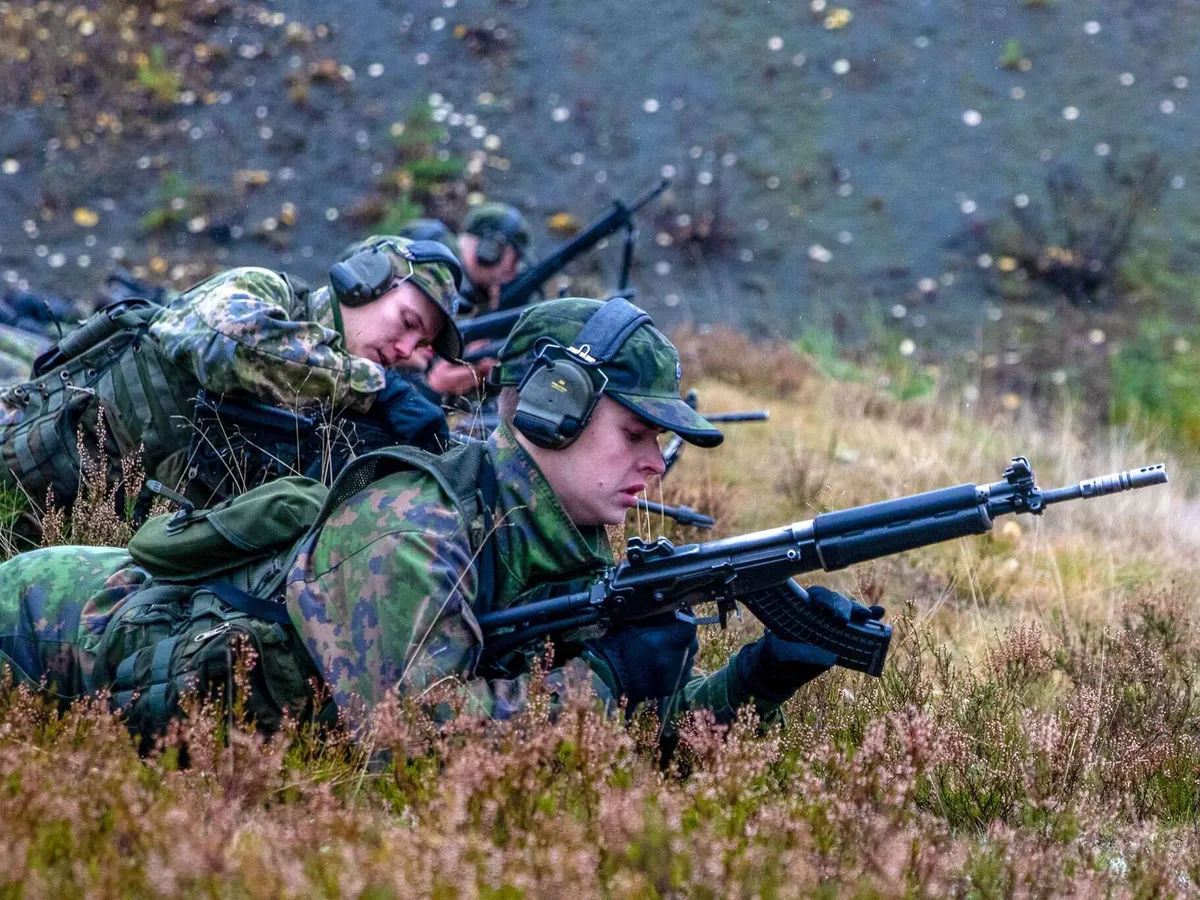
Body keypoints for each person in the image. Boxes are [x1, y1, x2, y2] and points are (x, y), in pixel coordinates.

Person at [0, 297, 868, 743]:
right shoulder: (415, 526)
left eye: (661, 444)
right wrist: (600, 684)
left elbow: (609, 753)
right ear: (550, 413)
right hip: (39, 625)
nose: (654, 460)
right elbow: (401, 744)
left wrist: (759, 677)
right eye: (636, 432)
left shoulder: (554, 541)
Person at [0, 236, 465, 523]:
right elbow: (233, 346)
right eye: (406, 321)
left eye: (419, 344)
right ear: (365, 279)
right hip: (20, 484)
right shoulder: (264, 291)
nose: (405, 350)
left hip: (96, 546)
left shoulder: (346, 408)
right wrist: (375, 386)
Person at [401, 204, 532, 399]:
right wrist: (434, 386)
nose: (512, 273)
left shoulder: (476, 294)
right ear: (490, 250)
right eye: (513, 260)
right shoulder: (437, 265)